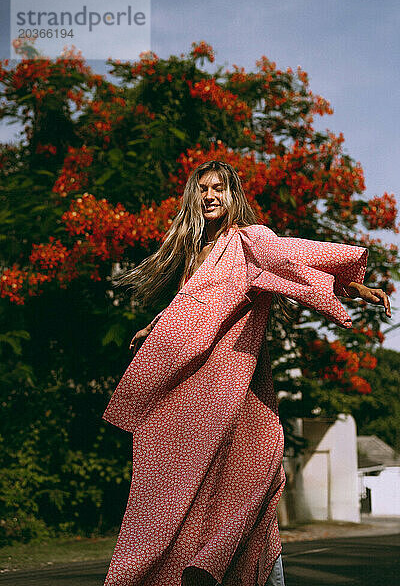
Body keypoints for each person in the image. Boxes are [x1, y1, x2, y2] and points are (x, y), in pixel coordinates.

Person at [102, 160, 391, 586]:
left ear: (233, 193)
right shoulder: (196, 253)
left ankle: (244, 572)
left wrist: (351, 285)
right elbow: (192, 303)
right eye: (202, 189)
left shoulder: (250, 240)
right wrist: (153, 326)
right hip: (200, 383)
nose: (210, 196)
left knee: (255, 479)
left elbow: (294, 259)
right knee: (190, 487)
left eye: (218, 188)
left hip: (241, 384)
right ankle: (178, 566)